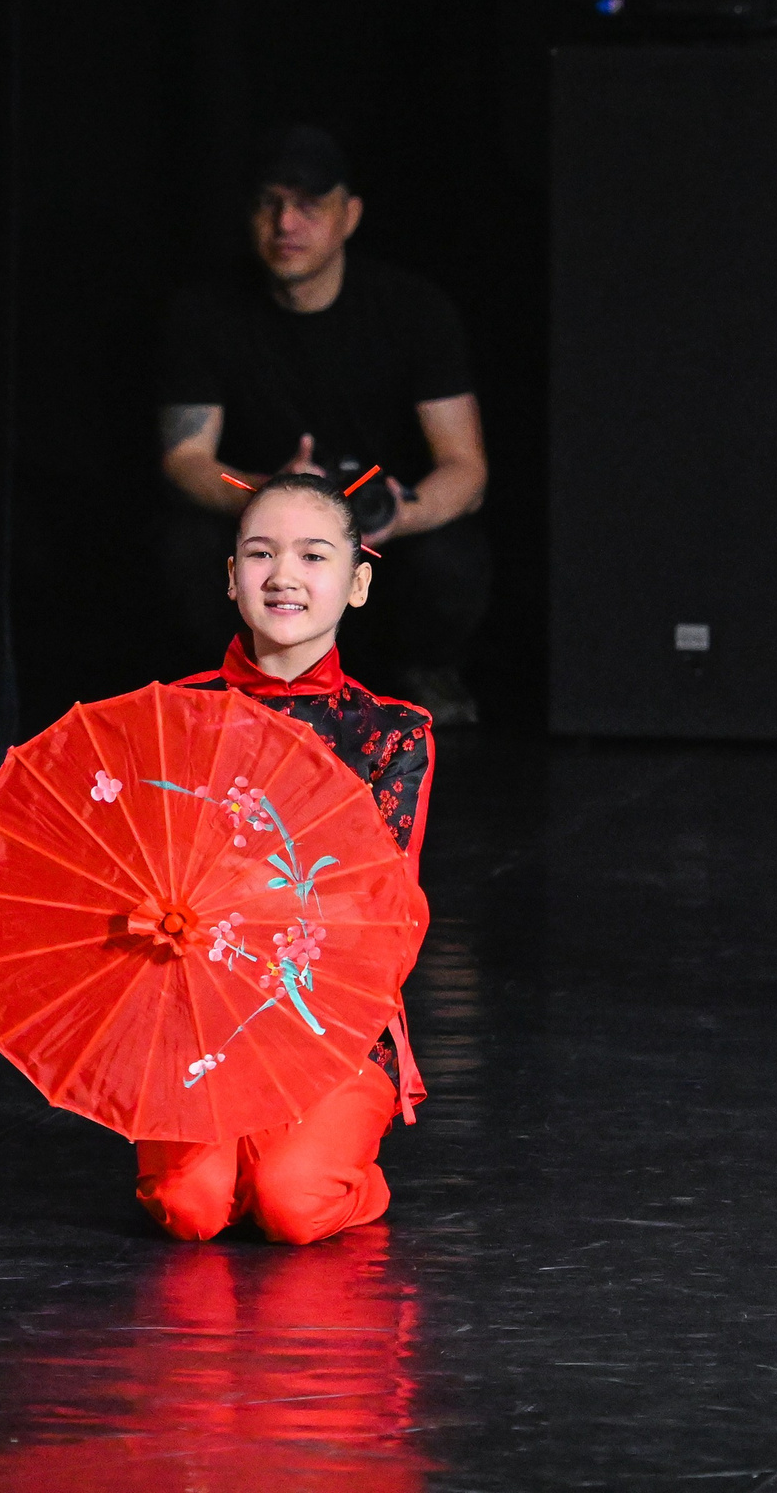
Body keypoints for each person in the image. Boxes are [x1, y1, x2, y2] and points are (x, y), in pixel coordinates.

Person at [135, 472, 432, 1243]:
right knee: (191, 1210)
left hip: (328, 1023)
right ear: (232, 576)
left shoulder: (389, 733)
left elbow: (382, 912)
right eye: (262, 554)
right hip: (199, 1017)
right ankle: (241, 1155)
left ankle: (341, 1176)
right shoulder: (175, 716)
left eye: (314, 555)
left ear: (357, 584)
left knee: (294, 1206)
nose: (284, 576)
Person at [158, 124, 490, 724]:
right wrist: (271, 496)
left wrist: (396, 515)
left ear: (350, 215)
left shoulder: (413, 311)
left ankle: (425, 677)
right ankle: (233, 690)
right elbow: (186, 458)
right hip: (264, 526)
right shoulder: (205, 313)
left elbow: (465, 467)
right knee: (188, 544)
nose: (286, 224)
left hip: (382, 532)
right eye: (270, 204)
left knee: (450, 557)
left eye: (308, 206)